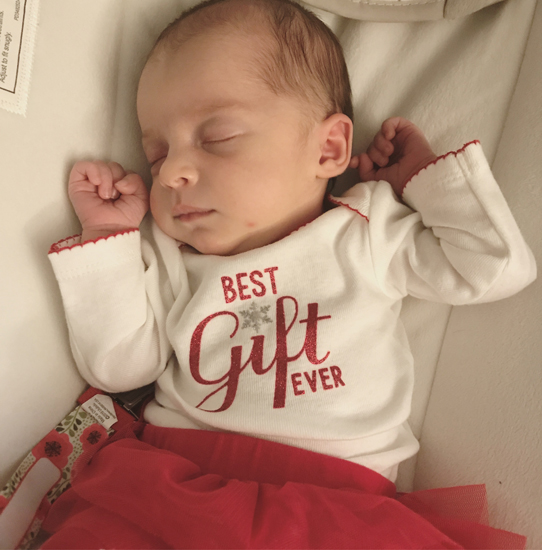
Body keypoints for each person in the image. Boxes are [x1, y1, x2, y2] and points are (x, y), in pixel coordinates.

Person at [42, 0, 536, 547]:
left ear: (329, 148)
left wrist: (422, 177)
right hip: (181, 483)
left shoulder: (364, 230)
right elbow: (120, 366)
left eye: (216, 138)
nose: (173, 172)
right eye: (157, 156)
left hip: (336, 510)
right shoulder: (173, 252)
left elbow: (492, 267)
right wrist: (106, 238)